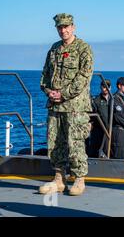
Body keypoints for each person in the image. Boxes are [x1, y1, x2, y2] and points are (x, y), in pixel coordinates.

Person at [39, 13, 94, 196]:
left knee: (75, 142)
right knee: (54, 142)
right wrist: (49, 91)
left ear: (73, 27)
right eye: (60, 27)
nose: (63, 30)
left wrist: (63, 94)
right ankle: (59, 179)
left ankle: (79, 179)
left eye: (66, 26)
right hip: (55, 106)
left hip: (75, 107)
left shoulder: (83, 49)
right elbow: (45, 76)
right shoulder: (54, 49)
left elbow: (84, 78)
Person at [87, 79, 111, 158]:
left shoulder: (113, 99)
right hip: (99, 128)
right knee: (96, 148)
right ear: (101, 87)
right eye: (104, 86)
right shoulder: (96, 100)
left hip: (110, 128)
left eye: (108, 86)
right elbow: (92, 115)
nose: (106, 88)